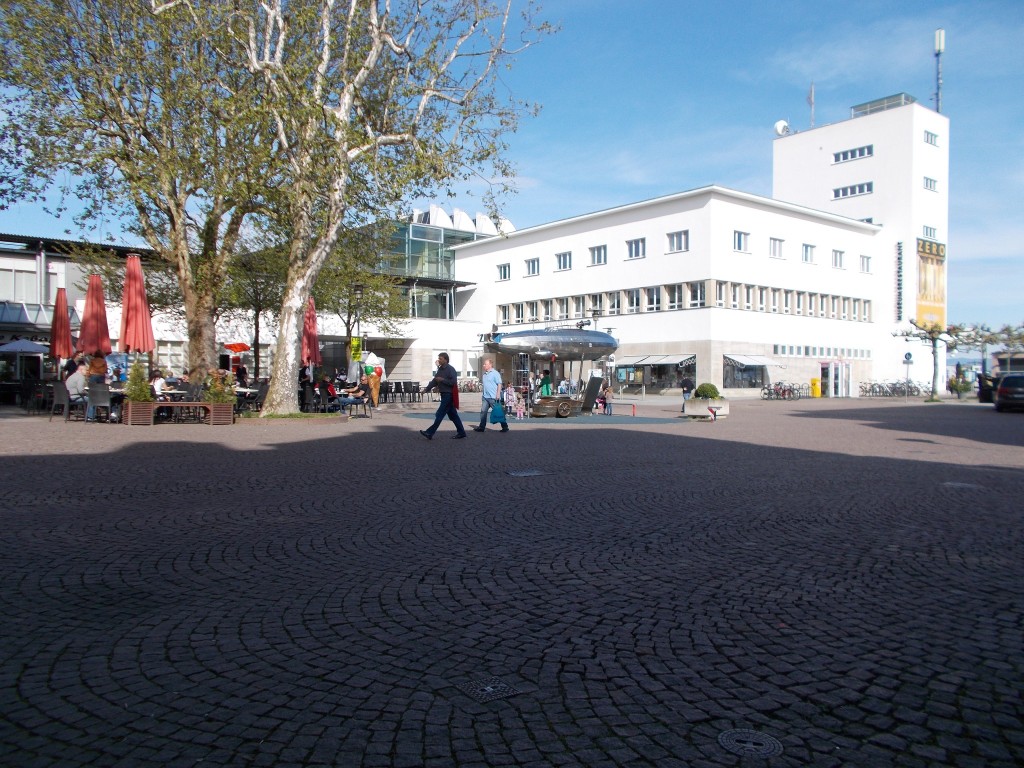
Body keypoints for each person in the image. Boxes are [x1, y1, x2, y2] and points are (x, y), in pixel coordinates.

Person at [419, 352, 466, 439]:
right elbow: (435, 380)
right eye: (439, 358)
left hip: (449, 395)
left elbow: (453, 383)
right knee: (453, 416)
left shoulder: (451, 369)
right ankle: (462, 432)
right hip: (444, 394)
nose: (438, 360)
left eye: (440, 359)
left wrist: (442, 380)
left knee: (440, 414)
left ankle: (430, 432)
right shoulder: (440, 369)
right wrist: (426, 389)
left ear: (445, 359)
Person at [473, 358, 509, 433]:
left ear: (490, 365)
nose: (483, 365)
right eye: (484, 364)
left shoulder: (495, 373)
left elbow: (499, 384)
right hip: (485, 397)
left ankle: (505, 427)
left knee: (498, 412)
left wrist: (498, 394)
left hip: (493, 397)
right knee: (483, 411)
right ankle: (481, 427)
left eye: (485, 364)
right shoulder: (484, 374)